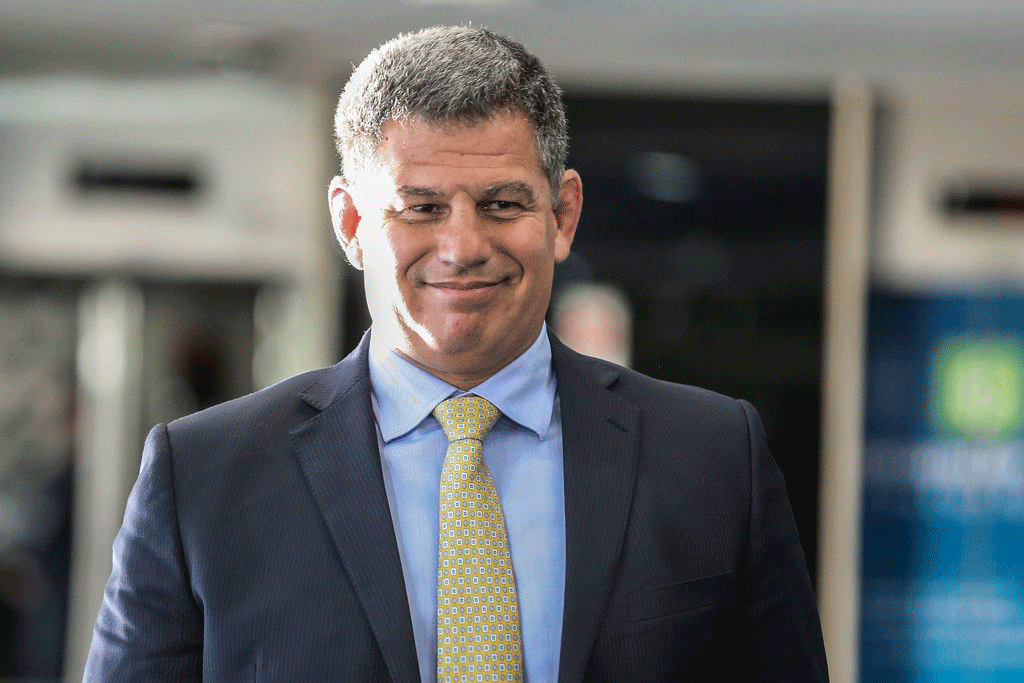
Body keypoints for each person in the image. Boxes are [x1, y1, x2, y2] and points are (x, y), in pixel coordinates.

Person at [84, 25, 829, 682]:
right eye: (422, 207)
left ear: (563, 215)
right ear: (351, 222)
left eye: (502, 204)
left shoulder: (714, 458)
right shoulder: (204, 477)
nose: (463, 246)